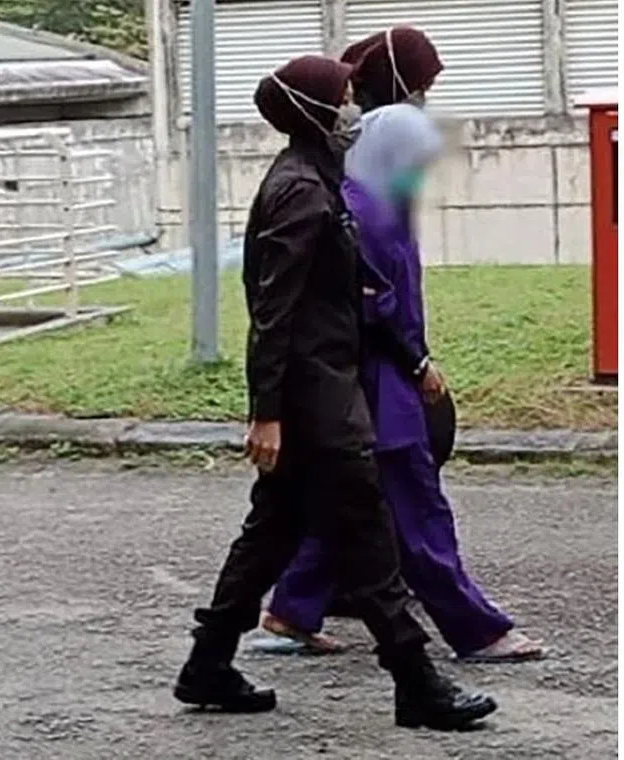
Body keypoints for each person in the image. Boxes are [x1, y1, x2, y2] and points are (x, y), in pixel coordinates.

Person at [171, 54, 497, 731]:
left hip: (325, 387)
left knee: (271, 534)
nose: (355, 108)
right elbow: (274, 309)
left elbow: (354, 293)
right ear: (315, 110)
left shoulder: (321, 179)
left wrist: (408, 357)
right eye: (344, 97)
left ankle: (208, 663)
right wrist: (266, 413)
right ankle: (417, 682)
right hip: (315, 398)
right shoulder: (299, 190)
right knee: (368, 534)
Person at [260, 101, 546, 663]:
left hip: (369, 381)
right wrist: (417, 364)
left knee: (353, 500)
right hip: (380, 383)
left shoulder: (373, 202)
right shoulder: (365, 213)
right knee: (418, 509)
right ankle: (476, 629)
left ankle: (292, 609)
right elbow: (374, 306)